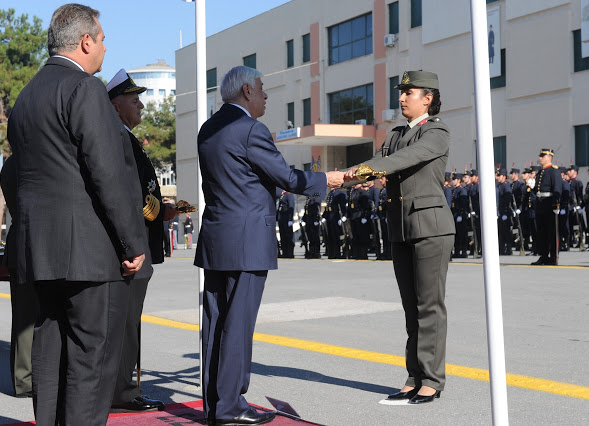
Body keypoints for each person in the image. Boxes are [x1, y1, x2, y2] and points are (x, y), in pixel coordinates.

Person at [7, 4, 149, 425]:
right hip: (90, 256)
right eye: (102, 38)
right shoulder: (84, 88)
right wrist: (132, 242)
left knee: (50, 359)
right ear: (86, 41)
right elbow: (108, 172)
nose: (105, 46)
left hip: (42, 254)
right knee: (91, 364)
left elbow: (14, 174)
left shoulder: (27, 96)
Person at [194, 65, 344, 425]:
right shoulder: (250, 129)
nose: (265, 96)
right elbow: (287, 177)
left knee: (215, 323)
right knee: (238, 324)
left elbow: (237, 180)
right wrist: (329, 179)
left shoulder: (208, 128)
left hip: (217, 236)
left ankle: (216, 404)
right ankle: (231, 406)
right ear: (246, 91)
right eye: (262, 89)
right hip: (246, 241)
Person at [346, 71, 454, 404]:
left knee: (429, 306)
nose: (402, 97)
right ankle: (414, 374)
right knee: (411, 308)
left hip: (431, 228)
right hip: (401, 227)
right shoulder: (394, 134)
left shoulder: (436, 130)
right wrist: (341, 179)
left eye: (409, 92)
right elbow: (382, 161)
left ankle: (432, 379)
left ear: (429, 98)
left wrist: (365, 171)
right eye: (401, 92)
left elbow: (405, 159)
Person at [106, 69, 177, 412]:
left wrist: (160, 211)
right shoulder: (117, 139)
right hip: (132, 245)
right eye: (134, 101)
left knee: (129, 322)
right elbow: (123, 195)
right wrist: (152, 213)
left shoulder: (126, 139)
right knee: (126, 323)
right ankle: (122, 393)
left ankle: (124, 389)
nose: (141, 107)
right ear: (117, 107)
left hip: (139, 238)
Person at [0, 155, 38, 399]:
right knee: (29, 317)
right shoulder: (34, 159)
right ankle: (26, 380)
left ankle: (23, 378)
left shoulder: (11, 164)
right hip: (33, 242)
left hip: (19, 242)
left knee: (24, 316)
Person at [531, 149, 562, 265]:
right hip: (540, 205)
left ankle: (553, 257)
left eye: (542, 156)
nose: (540, 158)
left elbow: (557, 189)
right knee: (541, 232)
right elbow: (538, 190)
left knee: (551, 232)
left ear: (549, 157)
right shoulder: (540, 172)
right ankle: (543, 256)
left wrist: (556, 204)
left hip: (549, 205)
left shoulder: (554, 171)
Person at [276, 190, 295, 258]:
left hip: (287, 218)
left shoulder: (289, 195)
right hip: (281, 218)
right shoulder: (282, 196)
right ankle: (285, 252)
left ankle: (290, 253)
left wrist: (290, 219)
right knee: (283, 236)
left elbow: (291, 207)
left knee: (288, 236)